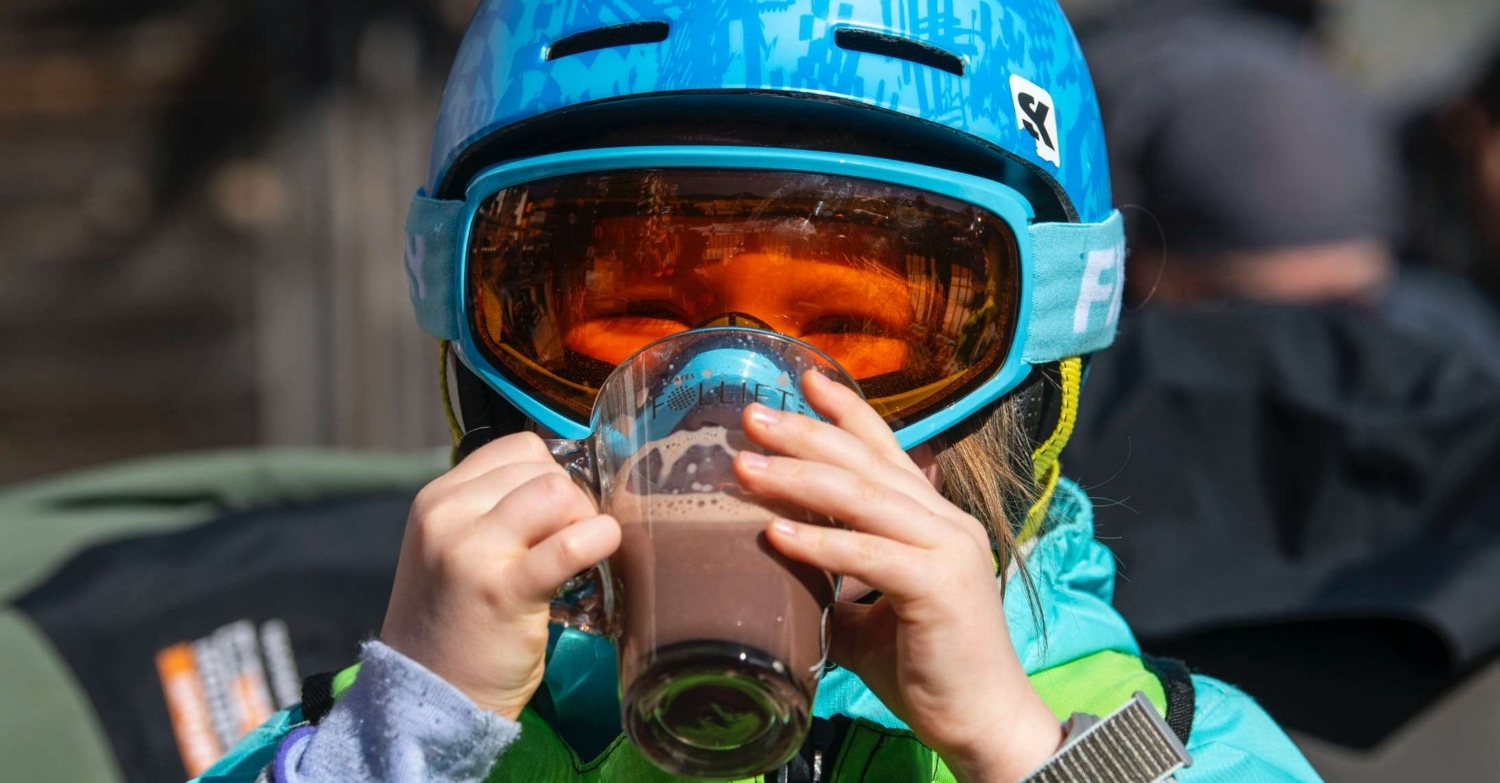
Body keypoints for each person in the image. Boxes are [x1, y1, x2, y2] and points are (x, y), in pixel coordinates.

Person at [194, 1, 1322, 781]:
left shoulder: (1151, 738)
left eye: (853, 329)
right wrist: (413, 743)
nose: (725, 402)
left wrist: (1012, 742)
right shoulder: (412, 711)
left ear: (1022, 375)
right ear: (481, 344)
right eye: (633, 313)